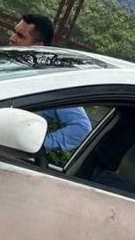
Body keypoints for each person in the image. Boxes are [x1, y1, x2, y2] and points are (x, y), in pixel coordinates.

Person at [8, 13, 92, 153]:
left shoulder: (49, 81)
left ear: (39, 47)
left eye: (20, 36)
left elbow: (81, 127)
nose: (12, 38)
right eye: (14, 32)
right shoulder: (2, 64)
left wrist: (39, 146)